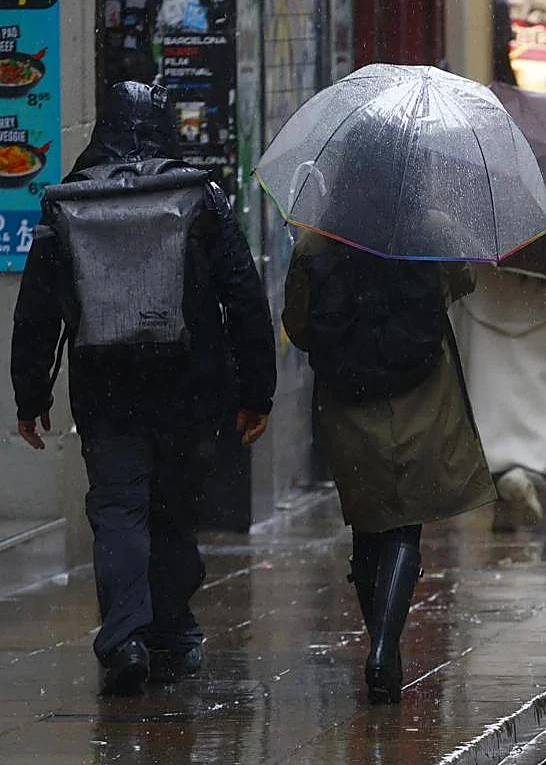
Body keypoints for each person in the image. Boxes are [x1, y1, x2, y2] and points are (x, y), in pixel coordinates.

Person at [10, 81, 277, 695]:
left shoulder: (68, 206)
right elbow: (243, 296)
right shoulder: (199, 199)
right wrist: (255, 390)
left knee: (118, 509)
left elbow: (36, 312)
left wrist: (31, 396)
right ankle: (175, 634)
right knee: (174, 509)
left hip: (106, 391)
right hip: (189, 386)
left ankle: (126, 635)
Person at [283, 234, 494, 704]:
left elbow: (298, 326)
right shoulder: (431, 228)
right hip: (419, 391)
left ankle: (383, 647)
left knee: (368, 521)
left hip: (347, 398)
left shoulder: (315, 241)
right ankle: (383, 649)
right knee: (405, 521)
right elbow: (463, 282)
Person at [449, 266, 546, 530]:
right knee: (535, 398)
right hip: (541, 296)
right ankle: (525, 471)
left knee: (488, 400)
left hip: (483, 296)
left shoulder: (478, 233)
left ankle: (501, 476)